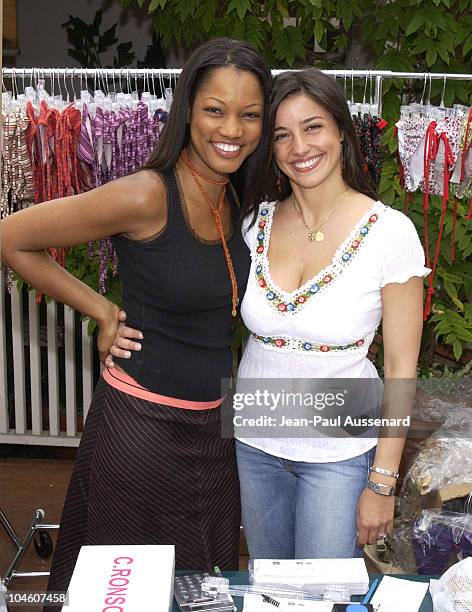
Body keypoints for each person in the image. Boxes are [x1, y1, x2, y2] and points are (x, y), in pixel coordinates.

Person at [111, 69, 429, 560]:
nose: (299, 146)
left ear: (342, 130)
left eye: (313, 127)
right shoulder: (251, 220)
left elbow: (402, 371)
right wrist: (110, 319)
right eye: (281, 134)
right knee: (270, 589)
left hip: (338, 453)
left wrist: (382, 482)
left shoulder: (390, 232)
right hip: (254, 443)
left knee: (320, 596)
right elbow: (185, 288)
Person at [0, 38, 272, 602]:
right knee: (127, 591)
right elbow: (13, 238)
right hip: (141, 431)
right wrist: (102, 310)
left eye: (249, 114)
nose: (233, 129)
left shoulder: (235, 196)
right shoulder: (149, 194)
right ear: (188, 111)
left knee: (204, 588)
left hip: (213, 428)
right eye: (215, 110)